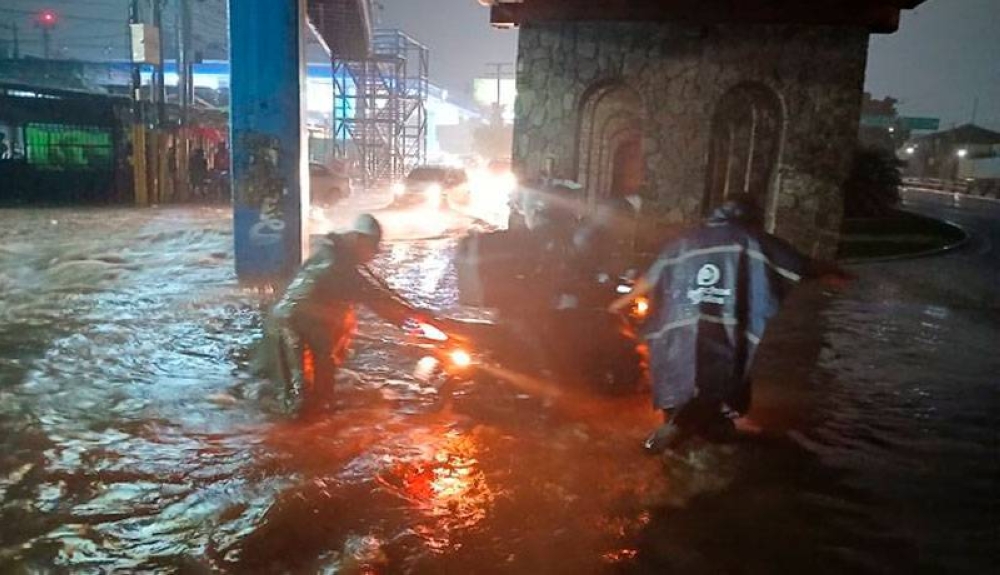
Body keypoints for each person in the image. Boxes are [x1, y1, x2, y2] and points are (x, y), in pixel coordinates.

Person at [608, 195, 851, 452]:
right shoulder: (752, 240)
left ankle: (677, 441)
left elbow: (651, 278)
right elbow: (799, 264)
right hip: (721, 331)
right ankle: (678, 434)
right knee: (717, 384)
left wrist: (620, 302)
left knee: (681, 389)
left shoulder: (683, 242)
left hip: (677, 332)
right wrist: (833, 271)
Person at [266, 214, 429, 415]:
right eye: (372, 247)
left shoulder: (330, 254)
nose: (373, 255)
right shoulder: (338, 267)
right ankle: (294, 435)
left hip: (297, 323)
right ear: (359, 241)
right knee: (301, 395)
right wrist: (411, 322)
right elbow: (374, 298)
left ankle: (311, 422)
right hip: (296, 325)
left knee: (310, 386)